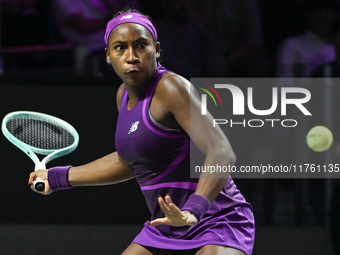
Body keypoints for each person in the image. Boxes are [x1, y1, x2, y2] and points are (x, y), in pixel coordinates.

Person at [28, 9, 255, 255]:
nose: (131, 57)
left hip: (216, 220)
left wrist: (193, 210)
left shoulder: (171, 87)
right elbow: (129, 162)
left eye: (141, 46)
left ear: (156, 49)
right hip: (165, 227)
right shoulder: (122, 96)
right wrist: (57, 177)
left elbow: (221, 151)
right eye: (120, 48)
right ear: (108, 55)